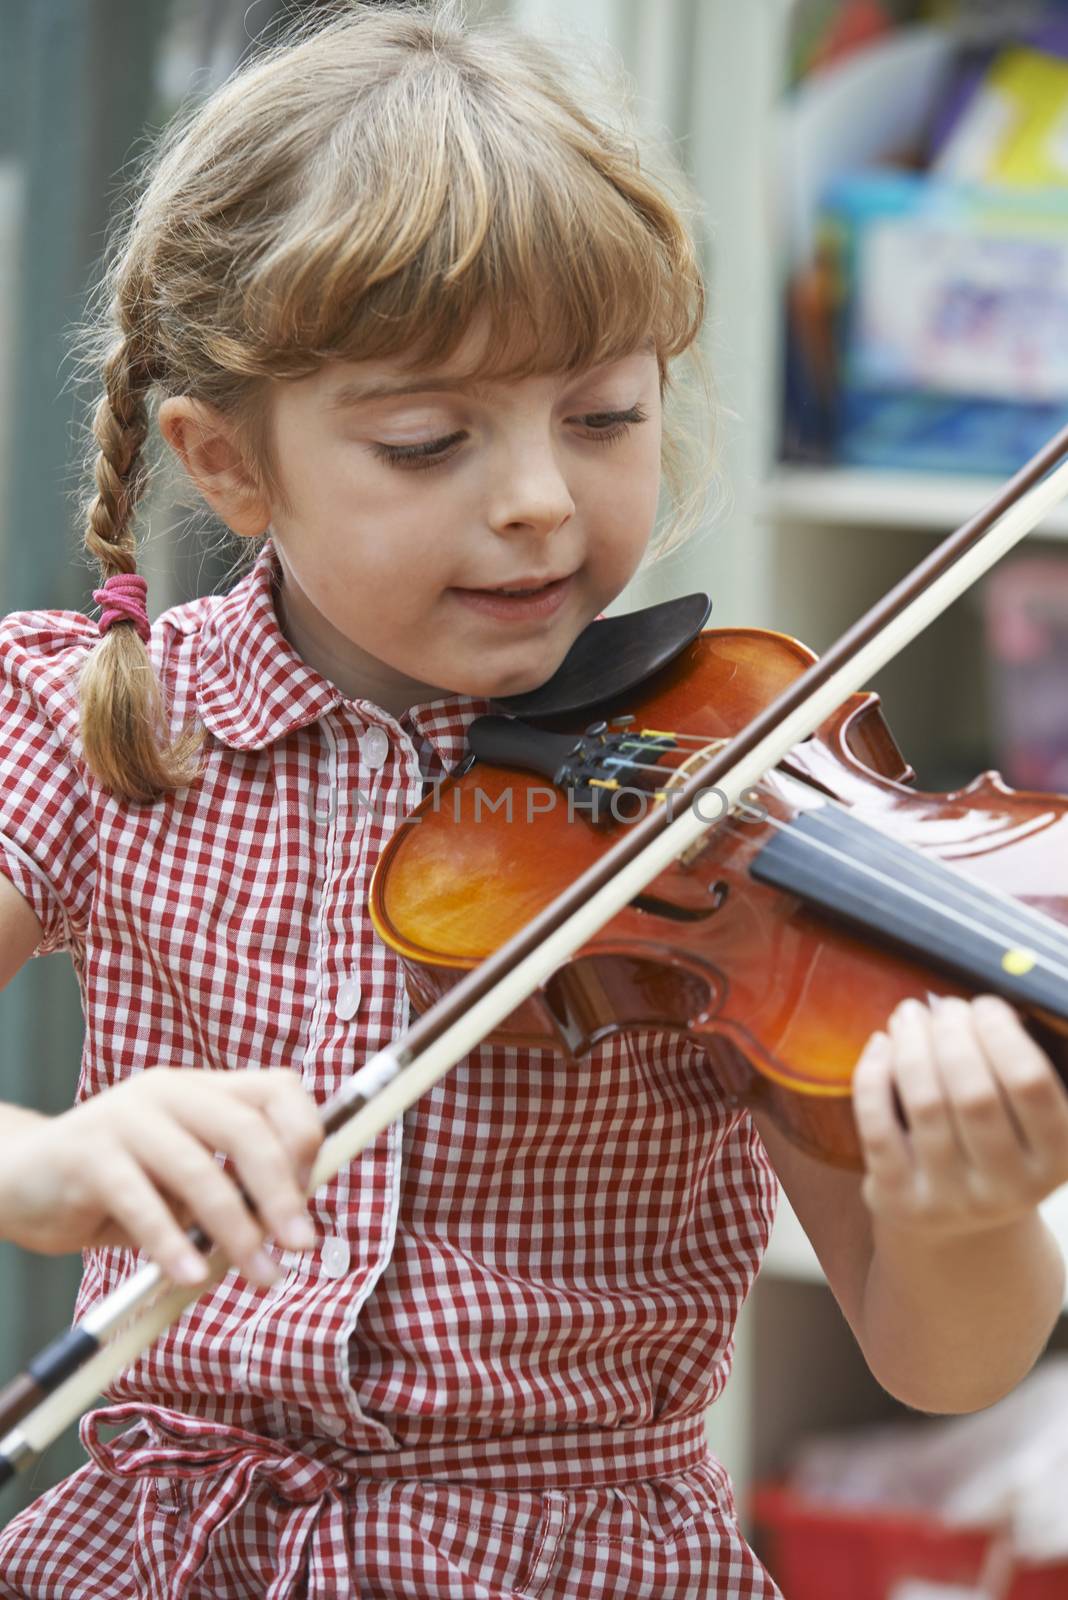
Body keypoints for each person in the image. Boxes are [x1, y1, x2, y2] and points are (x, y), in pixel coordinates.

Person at [0, 2, 1066, 1595]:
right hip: (166, 1554)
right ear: (227, 465)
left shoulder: (739, 804)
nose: (538, 501)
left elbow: (944, 1363)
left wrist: (964, 1215)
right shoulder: (98, 723)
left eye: (605, 418)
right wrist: (48, 1170)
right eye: (429, 443)